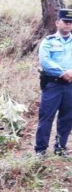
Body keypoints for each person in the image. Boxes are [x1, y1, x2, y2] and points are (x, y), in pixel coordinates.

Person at [35, 8, 72, 157]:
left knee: (67, 117)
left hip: (70, 85)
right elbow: (45, 61)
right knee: (46, 117)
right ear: (57, 23)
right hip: (53, 85)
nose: (68, 25)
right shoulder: (48, 41)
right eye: (65, 22)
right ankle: (41, 150)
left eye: (70, 23)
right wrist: (63, 72)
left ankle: (60, 148)